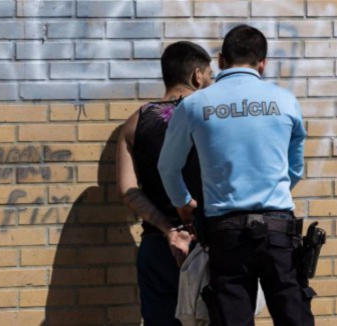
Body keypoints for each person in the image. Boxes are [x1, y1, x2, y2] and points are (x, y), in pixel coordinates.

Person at [157, 25, 314, 326]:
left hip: (226, 233)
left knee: (231, 318)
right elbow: (295, 169)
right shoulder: (286, 101)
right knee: (293, 314)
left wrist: (184, 203)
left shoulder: (193, 105)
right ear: (263, 62)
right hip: (278, 230)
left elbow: (168, 167)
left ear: (220, 60)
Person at [116, 41, 213, 325]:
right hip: (209, 245)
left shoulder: (136, 121)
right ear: (197, 75)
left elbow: (127, 190)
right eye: (209, 76)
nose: (210, 82)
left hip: (159, 247)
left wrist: (169, 230)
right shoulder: (213, 116)